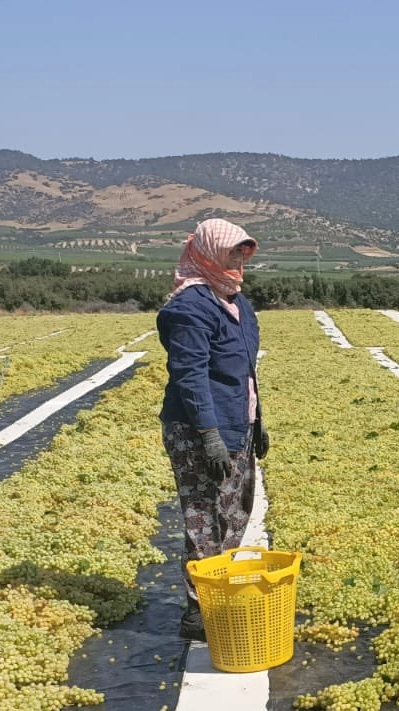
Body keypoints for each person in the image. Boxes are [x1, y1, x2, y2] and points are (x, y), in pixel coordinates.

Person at [158, 218, 270, 641]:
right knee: (204, 517)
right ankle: (199, 611)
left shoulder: (239, 303)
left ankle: (217, 593)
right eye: (231, 252)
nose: (239, 260)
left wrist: (258, 422)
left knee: (235, 511)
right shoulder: (188, 308)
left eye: (244, 252)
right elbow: (190, 375)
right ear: (207, 252)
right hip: (198, 428)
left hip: (235, 423)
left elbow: (243, 371)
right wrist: (208, 436)